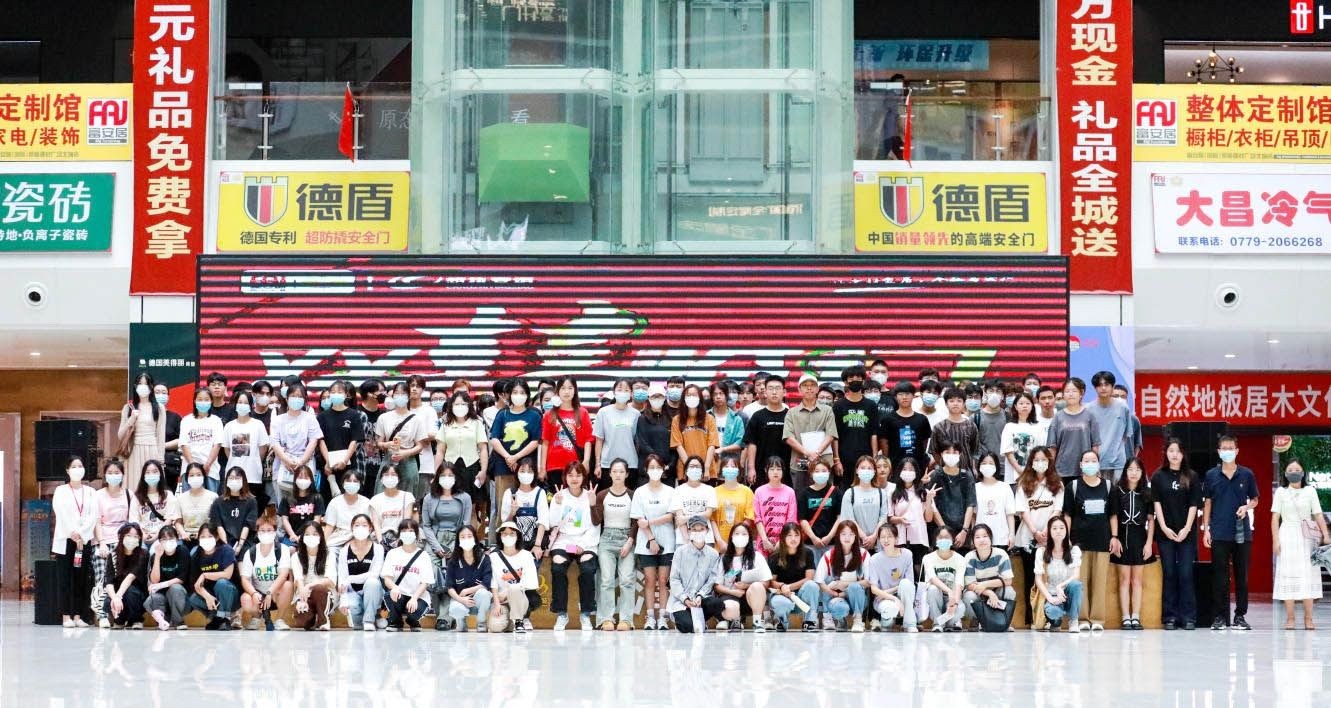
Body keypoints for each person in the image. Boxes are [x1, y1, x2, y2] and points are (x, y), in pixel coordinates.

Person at [1202, 435, 1260, 631]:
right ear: (1219, 452)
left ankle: (1240, 616)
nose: (1227, 451)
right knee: (1219, 576)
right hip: (1219, 532)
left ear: (1237, 451)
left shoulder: (1247, 474)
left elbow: (1255, 499)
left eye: (1230, 448)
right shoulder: (1211, 475)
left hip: (1241, 533)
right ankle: (1219, 616)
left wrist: (1246, 507)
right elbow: (1207, 503)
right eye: (1224, 448)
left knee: (1241, 576)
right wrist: (1206, 529)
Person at [1272, 458, 1330, 630]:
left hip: (1307, 537)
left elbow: (1318, 514)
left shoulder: (1310, 491)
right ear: (1285, 473)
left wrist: (1326, 535)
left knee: (1308, 575)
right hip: (1287, 536)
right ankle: (1290, 618)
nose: (1294, 473)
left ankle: (1308, 618)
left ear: (1303, 472)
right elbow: (1275, 517)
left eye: (1297, 470)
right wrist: (1275, 540)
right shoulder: (1281, 492)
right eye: (1290, 470)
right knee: (1287, 575)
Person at [1152, 438, 1201, 630]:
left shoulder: (1192, 476)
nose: (1174, 454)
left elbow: (1194, 505)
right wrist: (1164, 527)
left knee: (1186, 574)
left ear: (1183, 454)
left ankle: (1188, 617)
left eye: (1178, 451)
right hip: (1165, 533)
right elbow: (1156, 504)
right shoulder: (1158, 476)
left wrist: (1186, 528)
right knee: (1170, 573)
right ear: (1166, 453)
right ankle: (1170, 617)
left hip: (1186, 534)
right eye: (1171, 450)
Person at [547, 462, 601, 631]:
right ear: (565, 477)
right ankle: (561, 614)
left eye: (578, 475)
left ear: (584, 477)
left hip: (586, 541)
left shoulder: (590, 495)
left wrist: (582, 545)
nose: (574, 479)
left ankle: (586, 613)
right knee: (557, 567)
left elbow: (595, 526)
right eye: (570, 475)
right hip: (563, 541)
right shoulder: (559, 495)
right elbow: (552, 523)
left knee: (588, 568)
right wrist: (557, 505)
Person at [1013, 447, 1063, 626]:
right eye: (1036, 460)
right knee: (1030, 578)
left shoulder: (1057, 484)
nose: (1040, 463)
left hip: (1050, 538)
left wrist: (1047, 531)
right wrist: (1035, 531)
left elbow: (1057, 510)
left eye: (1044, 459)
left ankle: (1049, 617)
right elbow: (1023, 511)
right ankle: (1031, 618)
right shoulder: (1023, 483)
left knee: (1049, 579)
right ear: (1031, 462)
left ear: (1049, 462)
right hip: (1028, 538)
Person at [1063, 449, 1111, 631]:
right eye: (1086, 461)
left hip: (1102, 541)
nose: (1090, 464)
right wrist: (1067, 538)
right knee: (1080, 581)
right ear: (1081, 465)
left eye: (1093, 460)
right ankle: (1082, 619)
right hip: (1079, 542)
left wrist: (1114, 537)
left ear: (1098, 464)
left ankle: (1097, 619)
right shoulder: (1073, 487)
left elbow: (1113, 515)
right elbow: (1067, 515)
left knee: (1099, 582)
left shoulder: (1108, 486)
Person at [489, 379, 542, 540]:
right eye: (515, 392)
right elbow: (494, 439)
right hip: (503, 466)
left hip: (526, 468)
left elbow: (535, 441)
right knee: (503, 506)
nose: (519, 395)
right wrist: (508, 457)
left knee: (525, 505)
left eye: (522, 393)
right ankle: (500, 542)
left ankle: (525, 540)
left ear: (528, 395)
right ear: (509, 395)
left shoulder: (534, 415)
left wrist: (517, 457)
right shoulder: (502, 414)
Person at [422, 464, 472, 628]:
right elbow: (426, 525)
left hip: (457, 540)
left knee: (450, 577)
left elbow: (466, 524)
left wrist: (456, 547)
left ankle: (444, 618)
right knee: (434, 576)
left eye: (451, 475)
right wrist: (437, 547)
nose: (447, 479)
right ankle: (441, 615)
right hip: (434, 540)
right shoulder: (429, 498)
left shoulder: (465, 498)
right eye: (443, 475)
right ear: (437, 478)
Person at [92, 459, 140, 627]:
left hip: (124, 542)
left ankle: (123, 613)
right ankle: (102, 614)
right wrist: (102, 543)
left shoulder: (129, 494)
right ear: (105, 475)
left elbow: (132, 521)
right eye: (110, 472)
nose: (113, 475)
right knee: (102, 578)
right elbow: (96, 521)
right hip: (103, 541)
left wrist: (127, 542)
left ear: (122, 475)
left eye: (117, 472)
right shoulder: (98, 495)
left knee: (124, 578)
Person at [1108, 457, 1155, 630]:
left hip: (1140, 537)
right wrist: (1115, 537)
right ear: (1125, 472)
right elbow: (1113, 516)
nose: (1134, 473)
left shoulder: (1147, 492)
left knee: (1137, 580)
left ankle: (1136, 616)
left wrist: (1148, 544)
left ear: (1142, 472)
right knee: (1124, 579)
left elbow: (1151, 520)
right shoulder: (1117, 491)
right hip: (1122, 536)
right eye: (1130, 469)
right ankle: (1125, 617)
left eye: (1137, 469)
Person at [631, 454, 676, 630]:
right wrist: (651, 539)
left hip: (667, 541)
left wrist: (650, 521)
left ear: (663, 469)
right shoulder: (640, 492)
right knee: (650, 580)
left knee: (663, 580)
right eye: (652, 467)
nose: (655, 471)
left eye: (658, 467)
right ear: (646, 470)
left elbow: (670, 516)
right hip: (646, 542)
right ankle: (650, 617)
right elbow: (639, 520)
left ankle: (663, 617)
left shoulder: (671, 491)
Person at [591, 459, 636, 630]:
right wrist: (592, 504)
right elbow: (597, 521)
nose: (618, 475)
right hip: (607, 539)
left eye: (621, 471)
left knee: (627, 580)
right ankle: (606, 619)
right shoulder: (602, 495)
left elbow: (636, 522)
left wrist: (630, 541)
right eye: (615, 471)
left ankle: (626, 620)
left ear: (627, 474)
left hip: (627, 539)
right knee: (606, 580)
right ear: (609, 473)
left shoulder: (632, 495)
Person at [436, 390, 490, 525]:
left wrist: (483, 471)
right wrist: (435, 473)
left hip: (471, 468)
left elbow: (483, 449)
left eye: (463, 404)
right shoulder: (446, 424)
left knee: (470, 509)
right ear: (451, 406)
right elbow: (440, 451)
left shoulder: (477, 423)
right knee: (452, 507)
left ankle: (470, 535)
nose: (460, 407)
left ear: (469, 405)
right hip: (450, 469)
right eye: (456, 404)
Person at [667, 515, 728, 633]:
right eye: (694, 530)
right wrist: (685, 599)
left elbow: (711, 579)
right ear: (689, 531)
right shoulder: (680, 552)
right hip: (682, 601)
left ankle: (699, 620)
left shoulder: (713, 554)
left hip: (701, 600)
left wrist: (700, 596)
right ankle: (687, 620)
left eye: (701, 529)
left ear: (707, 530)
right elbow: (674, 579)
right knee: (688, 627)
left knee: (718, 604)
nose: (698, 532)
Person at [237, 513, 293, 631]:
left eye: (269, 530)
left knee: (288, 585)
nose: (266, 533)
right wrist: (254, 593)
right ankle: (256, 617)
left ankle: (279, 619)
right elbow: (245, 579)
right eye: (262, 530)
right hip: (258, 594)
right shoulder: (250, 552)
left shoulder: (282, 549)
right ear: (257, 532)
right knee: (245, 599)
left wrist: (269, 592)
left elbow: (283, 575)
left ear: (275, 532)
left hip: (275, 593)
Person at [782, 374, 838, 490]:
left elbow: (831, 434)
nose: (809, 388)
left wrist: (817, 453)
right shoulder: (791, 413)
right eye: (805, 385)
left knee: (826, 497)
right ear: (799, 389)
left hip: (824, 463)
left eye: (812, 385)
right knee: (801, 496)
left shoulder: (828, 411)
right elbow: (788, 437)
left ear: (817, 389)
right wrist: (808, 454)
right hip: (800, 463)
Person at [270, 382, 324, 502]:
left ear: (304, 400)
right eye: (293, 396)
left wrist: (301, 461)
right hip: (282, 464)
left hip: (305, 463)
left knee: (306, 501)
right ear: (287, 398)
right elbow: (274, 443)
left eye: (300, 396)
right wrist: (287, 460)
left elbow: (313, 441)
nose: (297, 399)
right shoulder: (277, 420)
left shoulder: (310, 418)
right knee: (284, 503)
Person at [373, 382, 428, 498]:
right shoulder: (384, 417)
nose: (400, 396)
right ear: (392, 396)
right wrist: (387, 445)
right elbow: (378, 443)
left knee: (407, 497)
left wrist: (404, 453)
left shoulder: (417, 419)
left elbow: (420, 446)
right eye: (397, 394)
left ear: (409, 396)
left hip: (409, 460)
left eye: (403, 394)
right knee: (382, 495)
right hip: (389, 459)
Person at [715, 521, 771, 631]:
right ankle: (734, 620)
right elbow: (717, 585)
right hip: (730, 596)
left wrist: (746, 586)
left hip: (750, 598)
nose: (740, 536)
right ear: (731, 537)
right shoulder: (724, 558)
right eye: (737, 534)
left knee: (757, 586)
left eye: (744, 534)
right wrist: (733, 592)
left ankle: (757, 622)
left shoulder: (756, 556)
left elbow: (766, 582)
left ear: (749, 537)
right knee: (731, 608)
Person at [815, 519, 869, 632]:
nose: (847, 537)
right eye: (843, 534)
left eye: (851, 534)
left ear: (856, 536)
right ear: (838, 536)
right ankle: (840, 619)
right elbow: (819, 582)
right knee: (840, 608)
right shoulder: (829, 555)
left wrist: (844, 585)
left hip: (857, 599)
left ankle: (858, 620)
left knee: (855, 587)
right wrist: (835, 594)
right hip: (836, 596)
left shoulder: (863, 554)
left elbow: (869, 581)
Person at [380, 519, 434, 631]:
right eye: (404, 531)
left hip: (418, 596)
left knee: (414, 613)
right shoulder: (393, 553)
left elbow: (425, 582)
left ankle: (413, 621)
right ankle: (395, 621)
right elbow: (387, 579)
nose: (407, 533)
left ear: (416, 534)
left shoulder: (424, 556)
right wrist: (394, 587)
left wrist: (414, 598)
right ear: (399, 534)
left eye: (411, 530)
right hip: (399, 594)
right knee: (390, 596)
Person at [540, 377, 594, 489]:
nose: (566, 391)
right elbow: (545, 442)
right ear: (558, 391)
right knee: (557, 498)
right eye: (563, 388)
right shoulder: (549, 414)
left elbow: (588, 440)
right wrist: (542, 467)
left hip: (576, 467)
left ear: (575, 390)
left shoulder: (582, 412)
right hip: (554, 466)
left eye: (570, 388)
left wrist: (586, 461)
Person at [767, 522, 821, 631]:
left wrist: (789, 587)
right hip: (782, 595)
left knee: (812, 585)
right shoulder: (775, 556)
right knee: (778, 602)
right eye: (789, 535)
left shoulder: (808, 553)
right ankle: (782, 621)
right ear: (783, 537)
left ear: (801, 537)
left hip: (801, 597)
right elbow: (771, 582)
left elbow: (809, 578)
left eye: (796, 535)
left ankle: (809, 621)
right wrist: (782, 586)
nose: (793, 539)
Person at [1034, 515, 1084, 632]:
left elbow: (1076, 576)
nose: (1058, 531)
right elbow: (1038, 580)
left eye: (1062, 528)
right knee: (1053, 612)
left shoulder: (1074, 551)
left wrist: (1060, 586)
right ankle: (1056, 620)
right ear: (1049, 531)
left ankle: (1073, 620)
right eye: (1054, 528)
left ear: (1066, 531)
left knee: (1076, 585)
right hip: (1052, 595)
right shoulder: (1041, 552)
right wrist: (1050, 598)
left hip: (1068, 593)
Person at [118, 373, 167, 492]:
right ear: (135, 386)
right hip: (133, 451)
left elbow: (160, 435)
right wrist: (131, 419)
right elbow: (120, 435)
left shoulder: (159, 408)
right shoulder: (128, 408)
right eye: (140, 383)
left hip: (152, 450)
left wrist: (160, 459)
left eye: (146, 383)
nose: (143, 386)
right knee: (133, 486)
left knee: (152, 487)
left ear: (151, 386)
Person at [490, 521, 541, 633]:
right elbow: (493, 582)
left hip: (521, 599)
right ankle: (510, 622)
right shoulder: (493, 557)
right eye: (504, 533)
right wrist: (497, 603)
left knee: (514, 587)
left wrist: (508, 591)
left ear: (518, 536)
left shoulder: (526, 555)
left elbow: (531, 582)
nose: (508, 536)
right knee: (495, 627)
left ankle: (519, 621)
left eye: (512, 533)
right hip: (502, 601)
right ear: (500, 536)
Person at [865, 523, 917, 632]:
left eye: (889, 536)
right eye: (882, 537)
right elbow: (874, 589)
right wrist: (893, 598)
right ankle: (887, 623)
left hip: (903, 595)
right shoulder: (874, 559)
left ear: (896, 538)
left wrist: (890, 591)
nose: (886, 540)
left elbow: (910, 583)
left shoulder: (907, 554)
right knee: (890, 609)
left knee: (906, 584)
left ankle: (910, 624)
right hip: (884, 598)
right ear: (879, 540)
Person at [962, 523, 1016, 629]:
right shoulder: (969, 557)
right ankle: (976, 619)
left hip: (997, 592)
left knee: (1009, 591)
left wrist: (985, 584)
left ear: (990, 538)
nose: (982, 540)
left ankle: (1004, 619)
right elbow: (970, 585)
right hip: (978, 593)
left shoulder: (1001, 554)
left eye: (985, 536)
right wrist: (989, 593)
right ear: (973, 541)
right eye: (977, 537)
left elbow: (1008, 580)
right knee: (969, 596)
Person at [223, 391, 270, 510]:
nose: (242, 405)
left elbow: (263, 448)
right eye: (240, 402)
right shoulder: (229, 426)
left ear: (251, 405)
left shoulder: (258, 424)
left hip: (253, 475)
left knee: (251, 509)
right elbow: (227, 449)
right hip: (233, 477)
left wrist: (254, 460)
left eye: (245, 403)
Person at [317, 380, 365, 498]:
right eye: (333, 392)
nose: (336, 394)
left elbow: (354, 440)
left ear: (346, 394)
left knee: (348, 496)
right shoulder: (322, 416)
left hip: (348, 465)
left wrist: (344, 460)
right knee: (328, 499)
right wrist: (328, 461)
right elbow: (321, 441)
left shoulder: (354, 415)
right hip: (328, 467)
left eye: (339, 392)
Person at [832, 366, 880, 484]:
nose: (855, 380)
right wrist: (837, 460)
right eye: (851, 377)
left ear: (863, 380)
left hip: (865, 459)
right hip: (844, 458)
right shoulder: (838, 406)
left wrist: (874, 458)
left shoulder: (871, 405)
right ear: (845, 382)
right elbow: (834, 435)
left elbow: (874, 433)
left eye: (858, 377)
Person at [337, 513, 385, 631]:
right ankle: (373, 616)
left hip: (372, 590)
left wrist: (350, 579)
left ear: (370, 528)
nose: (360, 528)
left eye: (364, 525)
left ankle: (369, 620)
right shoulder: (344, 551)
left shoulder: (378, 549)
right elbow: (342, 578)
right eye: (357, 525)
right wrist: (343, 600)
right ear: (352, 528)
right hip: (353, 590)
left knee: (372, 582)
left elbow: (374, 574)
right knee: (356, 624)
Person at [1047, 378, 1100, 481]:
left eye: (1074, 391)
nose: (1070, 394)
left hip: (1086, 469)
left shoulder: (1090, 416)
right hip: (1062, 470)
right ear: (1063, 395)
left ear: (1081, 393)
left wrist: (1096, 468)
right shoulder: (1058, 417)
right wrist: (1050, 471)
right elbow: (1052, 447)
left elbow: (1095, 445)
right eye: (1067, 391)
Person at [189, 523, 240, 630]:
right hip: (212, 595)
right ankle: (217, 618)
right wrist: (207, 596)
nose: (206, 539)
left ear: (216, 537)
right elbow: (196, 584)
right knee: (193, 599)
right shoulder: (196, 554)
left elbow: (227, 575)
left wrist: (205, 575)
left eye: (210, 536)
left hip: (230, 595)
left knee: (222, 583)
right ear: (198, 539)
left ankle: (224, 617)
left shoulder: (226, 550)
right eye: (203, 537)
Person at [928, 442, 977, 550]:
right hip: (941, 532)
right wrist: (944, 531)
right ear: (941, 454)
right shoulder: (936, 475)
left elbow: (970, 505)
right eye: (947, 452)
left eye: (954, 452)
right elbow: (932, 505)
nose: (951, 455)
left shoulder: (967, 476)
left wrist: (964, 530)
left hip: (962, 533)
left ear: (960, 454)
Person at [99, 522, 148, 628]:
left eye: (136, 536)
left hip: (136, 593)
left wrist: (118, 597)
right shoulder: (113, 555)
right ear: (120, 537)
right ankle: (119, 620)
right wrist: (114, 598)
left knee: (130, 593)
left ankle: (136, 620)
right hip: (118, 594)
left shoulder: (143, 554)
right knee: (108, 601)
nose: (132, 539)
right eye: (129, 535)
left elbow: (130, 577)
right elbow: (109, 581)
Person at [744, 376, 791, 486]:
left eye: (777, 388)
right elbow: (751, 443)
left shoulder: (790, 415)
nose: (774, 392)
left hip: (786, 470)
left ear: (784, 392)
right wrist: (751, 468)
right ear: (765, 391)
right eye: (770, 388)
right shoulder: (757, 416)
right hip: (761, 469)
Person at [445, 525, 493, 632]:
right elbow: (449, 586)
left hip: (478, 600)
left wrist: (467, 590)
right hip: (461, 599)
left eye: (469, 536)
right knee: (455, 609)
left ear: (475, 538)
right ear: (458, 540)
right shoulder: (453, 561)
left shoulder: (485, 559)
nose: (466, 539)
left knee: (484, 594)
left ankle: (481, 621)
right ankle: (461, 622)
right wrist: (460, 599)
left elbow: (486, 583)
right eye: (462, 537)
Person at [1086, 372, 1132, 481]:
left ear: (1112, 386)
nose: (1103, 388)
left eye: (1106, 384)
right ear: (1095, 388)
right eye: (1099, 385)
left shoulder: (1123, 407)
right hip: (1095, 463)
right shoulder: (1088, 410)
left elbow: (1126, 435)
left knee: (1118, 491)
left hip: (1118, 463)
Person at [888, 458, 932, 572]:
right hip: (900, 538)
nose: (908, 472)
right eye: (904, 469)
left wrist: (929, 500)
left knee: (919, 571)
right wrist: (900, 519)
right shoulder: (893, 493)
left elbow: (928, 519)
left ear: (916, 472)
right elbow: (890, 518)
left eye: (911, 469)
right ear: (899, 472)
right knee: (899, 571)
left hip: (919, 538)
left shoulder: (924, 492)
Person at [921, 527, 967, 632]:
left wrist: (955, 603)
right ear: (935, 540)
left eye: (947, 537)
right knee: (932, 589)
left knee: (960, 608)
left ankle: (945, 623)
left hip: (952, 598)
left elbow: (959, 583)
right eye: (940, 537)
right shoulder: (928, 558)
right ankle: (938, 624)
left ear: (952, 539)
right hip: (935, 598)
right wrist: (949, 591)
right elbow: (932, 578)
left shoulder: (960, 559)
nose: (943, 540)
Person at [179, 387, 224, 492]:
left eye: (206, 399)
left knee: (210, 500)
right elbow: (184, 444)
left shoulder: (216, 420)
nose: (203, 402)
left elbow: (217, 445)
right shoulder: (186, 420)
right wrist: (193, 466)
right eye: (200, 399)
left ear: (211, 401)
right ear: (194, 401)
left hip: (210, 470)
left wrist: (207, 465)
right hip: (189, 469)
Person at [499, 459, 550, 553]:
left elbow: (543, 520)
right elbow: (504, 524)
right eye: (522, 471)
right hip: (514, 543)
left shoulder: (540, 492)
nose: (526, 474)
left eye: (530, 471)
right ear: (517, 473)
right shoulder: (509, 493)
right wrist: (512, 513)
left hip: (535, 542)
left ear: (534, 474)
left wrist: (537, 545)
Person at [879, 381, 931, 473]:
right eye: (900, 394)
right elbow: (884, 443)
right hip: (895, 466)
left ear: (913, 396)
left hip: (917, 466)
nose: (904, 397)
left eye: (907, 394)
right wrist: (888, 464)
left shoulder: (922, 419)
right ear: (895, 397)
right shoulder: (887, 419)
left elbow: (924, 442)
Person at [146, 526, 190, 630]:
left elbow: (181, 578)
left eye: (171, 538)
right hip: (162, 595)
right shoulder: (155, 556)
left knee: (175, 588)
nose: (168, 542)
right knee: (149, 601)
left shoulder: (183, 551)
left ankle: (178, 621)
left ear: (177, 539)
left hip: (180, 597)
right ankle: (164, 619)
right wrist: (157, 557)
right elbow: (154, 580)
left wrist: (162, 585)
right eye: (164, 539)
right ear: (159, 542)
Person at [672, 455, 719, 549]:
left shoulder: (709, 490)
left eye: (697, 467)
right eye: (691, 466)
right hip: (683, 541)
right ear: (686, 470)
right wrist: (687, 540)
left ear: (702, 471)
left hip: (706, 539)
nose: (694, 469)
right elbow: (679, 519)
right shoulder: (678, 490)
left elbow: (708, 514)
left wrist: (686, 518)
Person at [210, 466, 258, 558]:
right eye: (231, 478)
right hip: (224, 541)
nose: (234, 480)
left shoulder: (251, 501)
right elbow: (219, 526)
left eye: (237, 478)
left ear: (243, 481)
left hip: (245, 541)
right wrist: (227, 546)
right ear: (226, 481)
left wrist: (239, 545)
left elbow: (247, 525)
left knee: (242, 559)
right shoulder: (218, 501)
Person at [753, 457, 798, 556]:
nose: (775, 472)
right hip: (763, 542)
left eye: (779, 469)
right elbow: (757, 518)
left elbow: (791, 520)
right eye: (772, 469)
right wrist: (765, 540)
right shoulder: (759, 491)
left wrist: (781, 541)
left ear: (783, 471)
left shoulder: (790, 492)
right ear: (766, 470)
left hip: (784, 542)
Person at [797, 460, 839, 562]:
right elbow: (802, 519)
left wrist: (830, 536)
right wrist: (813, 538)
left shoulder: (836, 492)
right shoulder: (804, 494)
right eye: (817, 471)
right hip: (810, 544)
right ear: (811, 474)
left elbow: (840, 517)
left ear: (829, 472)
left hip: (831, 543)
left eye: (824, 471)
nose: (820, 473)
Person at [135, 459, 184, 546]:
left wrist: (157, 536)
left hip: (163, 536)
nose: (151, 475)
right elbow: (134, 520)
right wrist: (143, 535)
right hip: (143, 536)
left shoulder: (168, 495)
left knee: (156, 549)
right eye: (148, 472)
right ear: (143, 476)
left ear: (160, 474)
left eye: (155, 472)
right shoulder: (136, 497)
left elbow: (169, 519)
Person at [405, 376, 440, 495]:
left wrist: (411, 436)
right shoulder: (401, 410)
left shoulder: (429, 410)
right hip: (403, 462)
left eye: (418, 386)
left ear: (423, 390)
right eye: (412, 385)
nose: (414, 389)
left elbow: (434, 435)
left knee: (422, 500)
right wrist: (422, 437)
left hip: (425, 464)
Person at [928, 388, 979, 470]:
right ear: (946, 404)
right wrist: (943, 465)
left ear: (964, 404)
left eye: (959, 401)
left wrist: (973, 467)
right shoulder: (939, 427)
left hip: (966, 471)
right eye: (951, 401)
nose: (955, 404)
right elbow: (934, 451)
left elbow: (975, 450)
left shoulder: (971, 426)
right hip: (945, 472)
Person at [973, 452, 1016, 550]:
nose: (987, 466)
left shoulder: (1005, 487)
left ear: (996, 466)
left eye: (991, 463)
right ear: (979, 466)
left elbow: (1010, 514)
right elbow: (973, 516)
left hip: (1001, 539)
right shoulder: (975, 488)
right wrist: (973, 536)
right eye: (984, 463)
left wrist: (1012, 534)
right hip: (981, 540)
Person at [635, 384, 677, 483]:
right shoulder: (642, 419)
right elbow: (643, 444)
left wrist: (670, 465)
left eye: (660, 396)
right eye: (654, 396)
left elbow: (675, 444)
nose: (657, 399)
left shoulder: (671, 419)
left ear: (665, 398)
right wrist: (659, 463)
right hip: (648, 468)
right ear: (648, 398)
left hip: (667, 471)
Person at [713, 454, 755, 549]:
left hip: (741, 543)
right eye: (726, 466)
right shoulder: (714, 491)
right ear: (721, 470)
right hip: (720, 544)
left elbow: (750, 518)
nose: (730, 469)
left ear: (739, 470)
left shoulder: (747, 491)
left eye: (733, 466)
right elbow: (712, 519)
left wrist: (737, 537)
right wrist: (719, 541)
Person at [1000, 392, 1044, 481]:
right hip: (1013, 477)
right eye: (1021, 403)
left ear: (1032, 406)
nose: (1025, 406)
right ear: (1015, 407)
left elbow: (1040, 451)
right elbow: (1008, 452)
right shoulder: (1009, 426)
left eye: (1028, 403)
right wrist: (1020, 471)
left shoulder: (1038, 426)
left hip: (1034, 475)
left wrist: (1032, 472)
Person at [323, 469, 373, 548]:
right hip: (338, 540)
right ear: (343, 483)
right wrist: (322, 546)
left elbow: (371, 526)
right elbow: (329, 527)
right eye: (349, 481)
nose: (352, 483)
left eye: (355, 481)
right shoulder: (335, 502)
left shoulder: (366, 502)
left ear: (360, 484)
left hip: (361, 540)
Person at [279, 465, 325, 545]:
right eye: (300, 477)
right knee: (290, 550)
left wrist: (304, 535)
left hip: (310, 536)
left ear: (311, 480)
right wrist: (293, 535)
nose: (303, 480)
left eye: (306, 477)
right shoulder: (286, 498)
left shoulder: (317, 497)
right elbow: (285, 519)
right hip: (290, 537)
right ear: (295, 479)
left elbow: (316, 520)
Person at [371, 464, 419, 539]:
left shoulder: (408, 497)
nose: (390, 477)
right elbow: (376, 525)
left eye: (393, 475)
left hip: (403, 536)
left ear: (398, 479)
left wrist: (401, 541)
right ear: (381, 479)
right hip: (382, 536)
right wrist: (381, 542)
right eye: (386, 475)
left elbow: (406, 521)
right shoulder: (375, 500)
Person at [710, 381, 746, 479]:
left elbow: (740, 443)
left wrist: (722, 449)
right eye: (715, 394)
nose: (718, 397)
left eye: (721, 393)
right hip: (710, 462)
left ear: (726, 395)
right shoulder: (706, 416)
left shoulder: (736, 419)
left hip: (729, 464)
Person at [975, 380, 1008, 461]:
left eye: (998, 391)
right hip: (982, 464)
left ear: (1003, 396)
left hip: (1004, 464)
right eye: (991, 391)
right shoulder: (976, 417)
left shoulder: (1009, 417)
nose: (994, 394)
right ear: (985, 393)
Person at [1111, 384, 1144, 458]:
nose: (1119, 399)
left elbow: (1137, 444)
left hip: (1127, 462)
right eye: (1115, 396)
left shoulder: (1134, 420)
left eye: (1123, 397)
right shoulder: (1102, 418)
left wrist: (1132, 460)